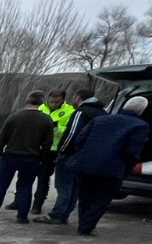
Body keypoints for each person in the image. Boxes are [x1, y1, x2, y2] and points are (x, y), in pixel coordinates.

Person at [64, 96, 150, 236]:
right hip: (113, 169)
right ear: (141, 110)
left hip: (86, 164)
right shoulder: (140, 125)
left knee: (85, 195)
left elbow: (80, 139)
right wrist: (128, 167)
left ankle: (83, 223)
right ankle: (86, 226)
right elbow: (132, 151)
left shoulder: (101, 119)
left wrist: (84, 154)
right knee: (102, 198)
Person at [35, 89, 108, 226]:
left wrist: (62, 150)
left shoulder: (80, 112)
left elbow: (72, 133)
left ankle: (57, 215)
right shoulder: (102, 113)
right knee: (74, 186)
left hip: (71, 154)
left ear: (77, 97)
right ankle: (64, 214)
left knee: (64, 186)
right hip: (87, 155)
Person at [0, 91, 55, 224]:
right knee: (25, 187)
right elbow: (48, 143)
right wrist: (42, 158)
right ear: (43, 103)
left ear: (27, 100)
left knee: (1, 186)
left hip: (10, 156)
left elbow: (2, 137)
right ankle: (22, 216)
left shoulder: (14, 117)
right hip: (32, 158)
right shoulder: (46, 119)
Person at [6, 89, 75, 213]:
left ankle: (37, 204)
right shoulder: (39, 108)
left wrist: (57, 127)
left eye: (57, 102)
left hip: (52, 149)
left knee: (43, 178)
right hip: (33, 147)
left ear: (63, 100)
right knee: (23, 177)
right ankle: (18, 201)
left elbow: (70, 130)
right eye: (51, 101)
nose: (54, 104)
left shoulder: (70, 111)